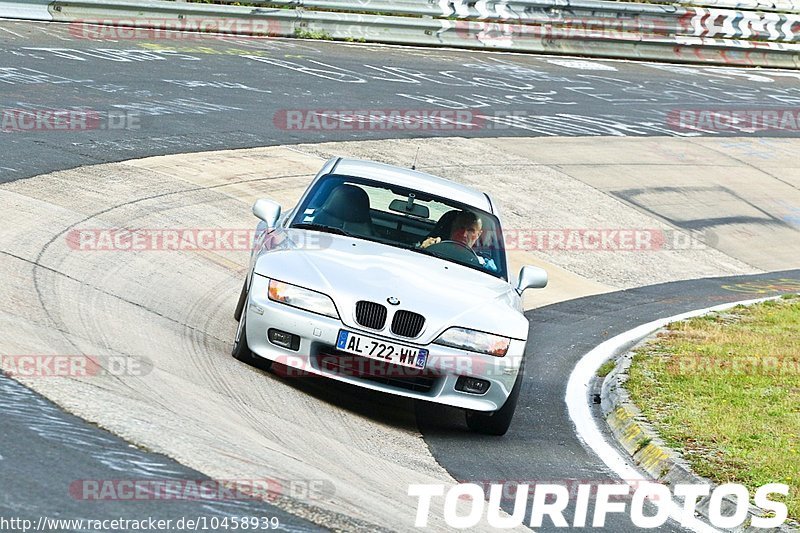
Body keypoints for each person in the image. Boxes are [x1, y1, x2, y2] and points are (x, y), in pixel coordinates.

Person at [420, 211, 498, 271]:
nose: (464, 234)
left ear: (478, 235)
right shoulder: (431, 246)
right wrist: (423, 249)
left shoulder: (485, 264)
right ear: (453, 227)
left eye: (471, 230)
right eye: (460, 228)